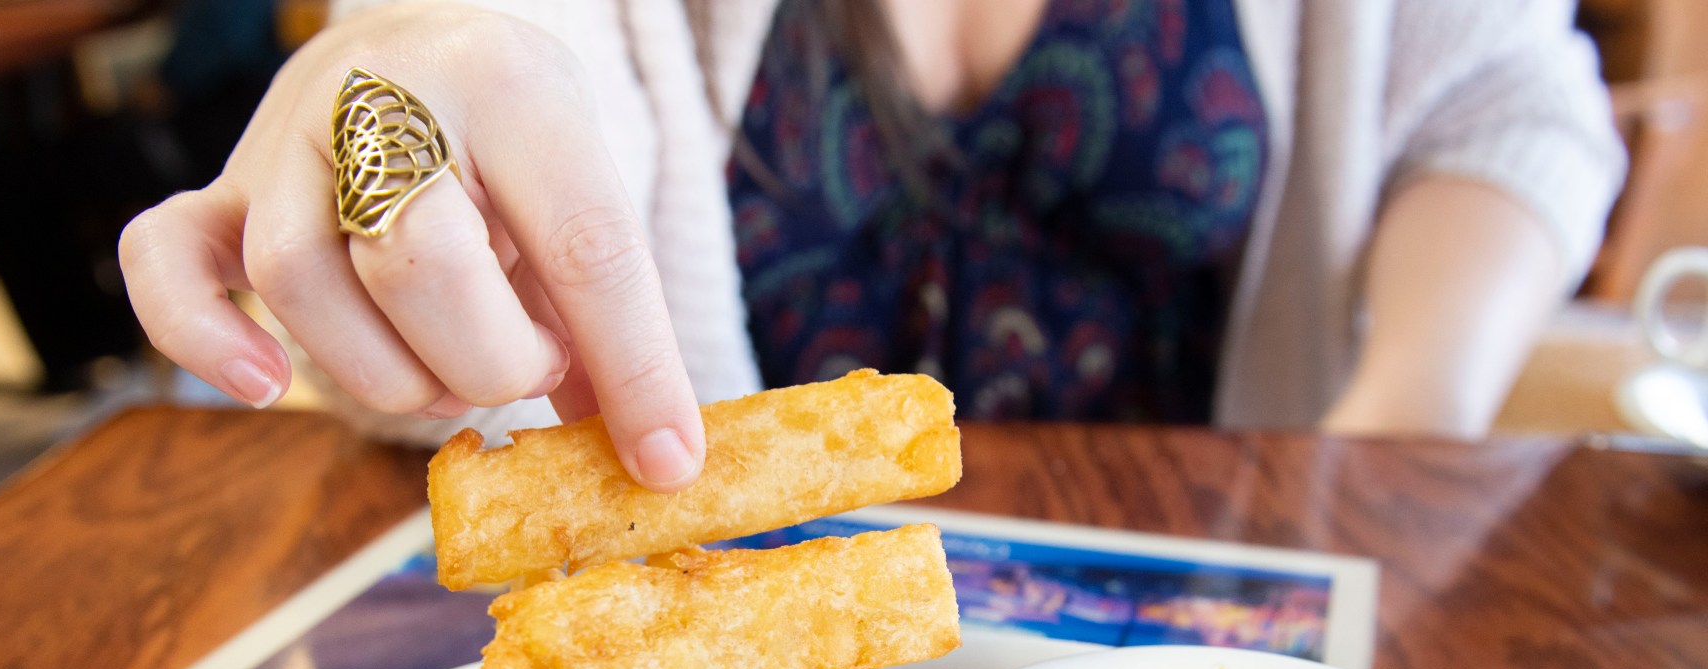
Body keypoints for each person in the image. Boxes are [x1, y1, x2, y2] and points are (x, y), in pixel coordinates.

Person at [120, 0, 1624, 493]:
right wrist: (412, 74)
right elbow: (515, 38)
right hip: (746, 646)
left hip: (1219, 588)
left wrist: (1384, 452)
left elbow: (1508, 100)